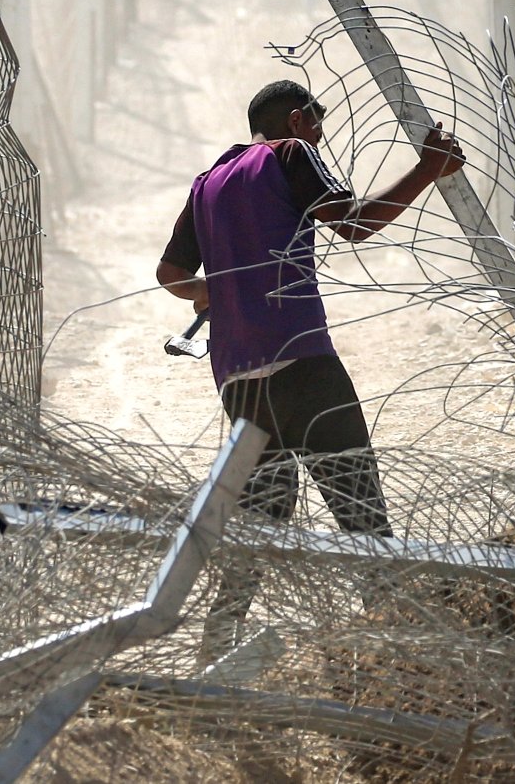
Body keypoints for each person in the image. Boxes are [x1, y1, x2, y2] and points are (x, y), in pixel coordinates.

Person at [155, 80, 464, 661]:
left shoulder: (207, 185)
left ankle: (215, 648)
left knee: (261, 520)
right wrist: (429, 169)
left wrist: (216, 293)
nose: (320, 142)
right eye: (318, 129)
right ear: (297, 120)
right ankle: (402, 651)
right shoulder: (290, 155)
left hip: (240, 379)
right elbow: (354, 223)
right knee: (360, 510)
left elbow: (169, 271)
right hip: (302, 362)